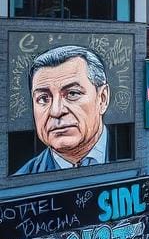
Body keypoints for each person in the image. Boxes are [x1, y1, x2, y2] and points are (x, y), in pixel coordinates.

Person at [15, 45, 113, 174]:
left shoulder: (131, 151)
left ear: (102, 99)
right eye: (43, 98)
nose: (56, 111)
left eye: (72, 94)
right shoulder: (23, 178)